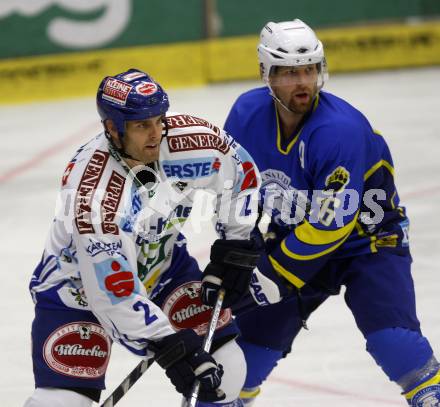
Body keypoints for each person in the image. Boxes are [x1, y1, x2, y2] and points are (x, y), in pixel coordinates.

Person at [203, 19, 440, 406]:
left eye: (310, 70)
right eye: (290, 73)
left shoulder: (337, 131)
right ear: (266, 74)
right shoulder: (246, 113)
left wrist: (272, 273)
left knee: (394, 342)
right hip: (296, 235)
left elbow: (332, 226)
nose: (303, 83)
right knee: (243, 359)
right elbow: (236, 189)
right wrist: (239, 247)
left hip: (368, 242)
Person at [25, 68, 261, 407]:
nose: (155, 134)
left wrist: (236, 243)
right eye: (140, 126)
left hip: (163, 266)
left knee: (229, 368)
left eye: (158, 120)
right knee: (60, 403)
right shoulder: (95, 193)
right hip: (78, 290)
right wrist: (166, 341)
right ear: (112, 129)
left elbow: (241, 173)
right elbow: (113, 292)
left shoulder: (189, 140)